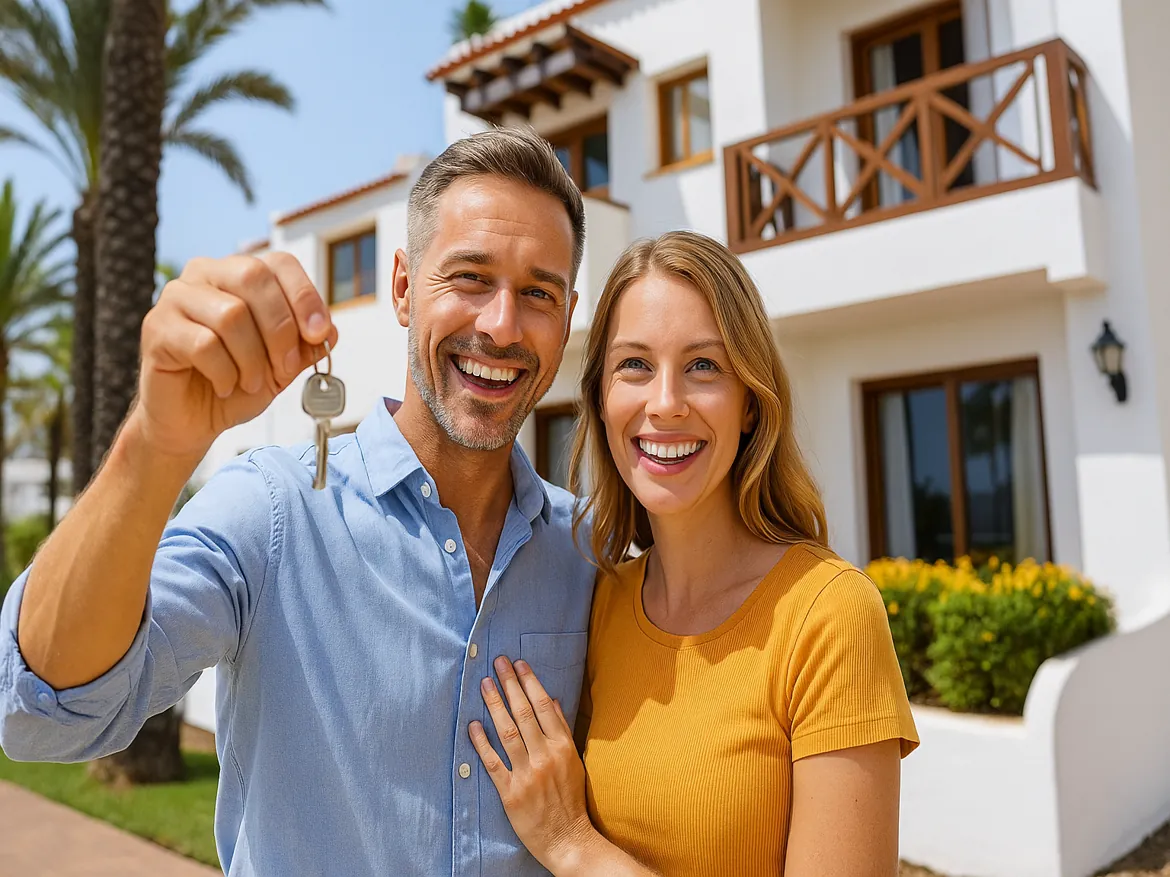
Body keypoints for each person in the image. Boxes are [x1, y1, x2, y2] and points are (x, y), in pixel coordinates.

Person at [0, 128, 598, 876]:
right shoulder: (271, 510)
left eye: (539, 293)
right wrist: (155, 444)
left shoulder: (590, 552)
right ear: (403, 288)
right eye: (470, 277)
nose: (501, 325)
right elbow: (45, 713)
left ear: (567, 315)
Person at [468, 231, 920, 876]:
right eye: (634, 365)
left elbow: (572, 841)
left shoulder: (829, 615)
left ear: (750, 404)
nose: (665, 404)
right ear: (601, 401)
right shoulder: (602, 601)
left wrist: (571, 844)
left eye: (703, 366)